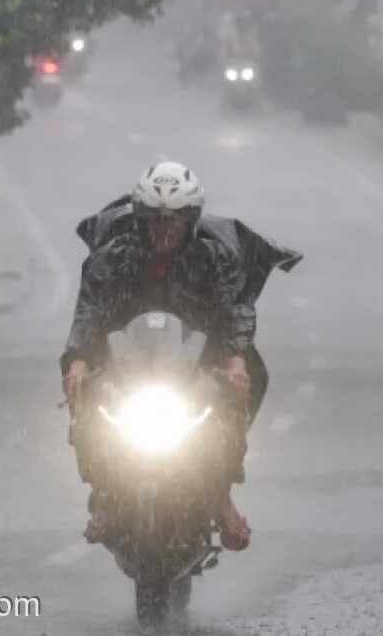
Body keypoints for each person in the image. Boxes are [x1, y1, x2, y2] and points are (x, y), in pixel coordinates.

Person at [61, 161, 301, 552]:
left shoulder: (213, 258)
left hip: (194, 361)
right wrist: (78, 361)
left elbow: (233, 310)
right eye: (155, 220)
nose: (164, 230)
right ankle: (105, 493)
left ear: (190, 222)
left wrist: (235, 359)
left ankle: (220, 495)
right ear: (140, 220)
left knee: (245, 382)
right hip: (126, 361)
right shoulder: (113, 258)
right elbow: (89, 311)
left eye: (174, 221)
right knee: (87, 394)